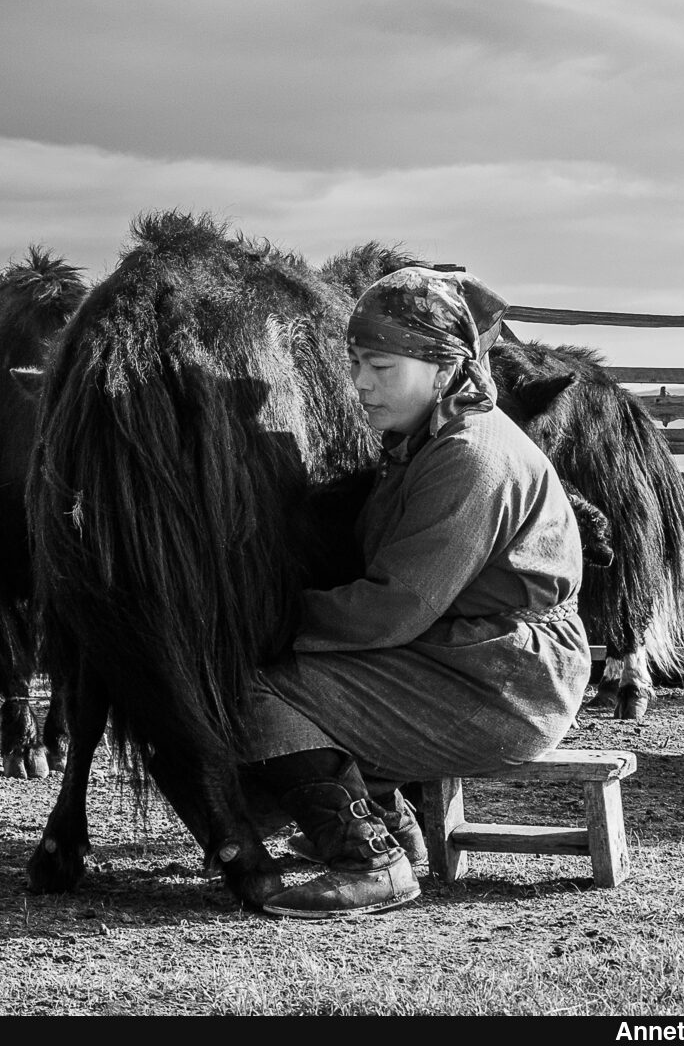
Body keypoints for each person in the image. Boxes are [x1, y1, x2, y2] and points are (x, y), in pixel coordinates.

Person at [241, 267, 591, 919]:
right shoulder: (421, 444)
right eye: (356, 364)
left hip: (507, 680)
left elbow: (392, 608)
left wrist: (267, 619)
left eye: (382, 366)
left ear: (442, 368)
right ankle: (390, 826)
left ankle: (369, 861)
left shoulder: (468, 457)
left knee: (256, 688)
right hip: (465, 658)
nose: (362, 384)